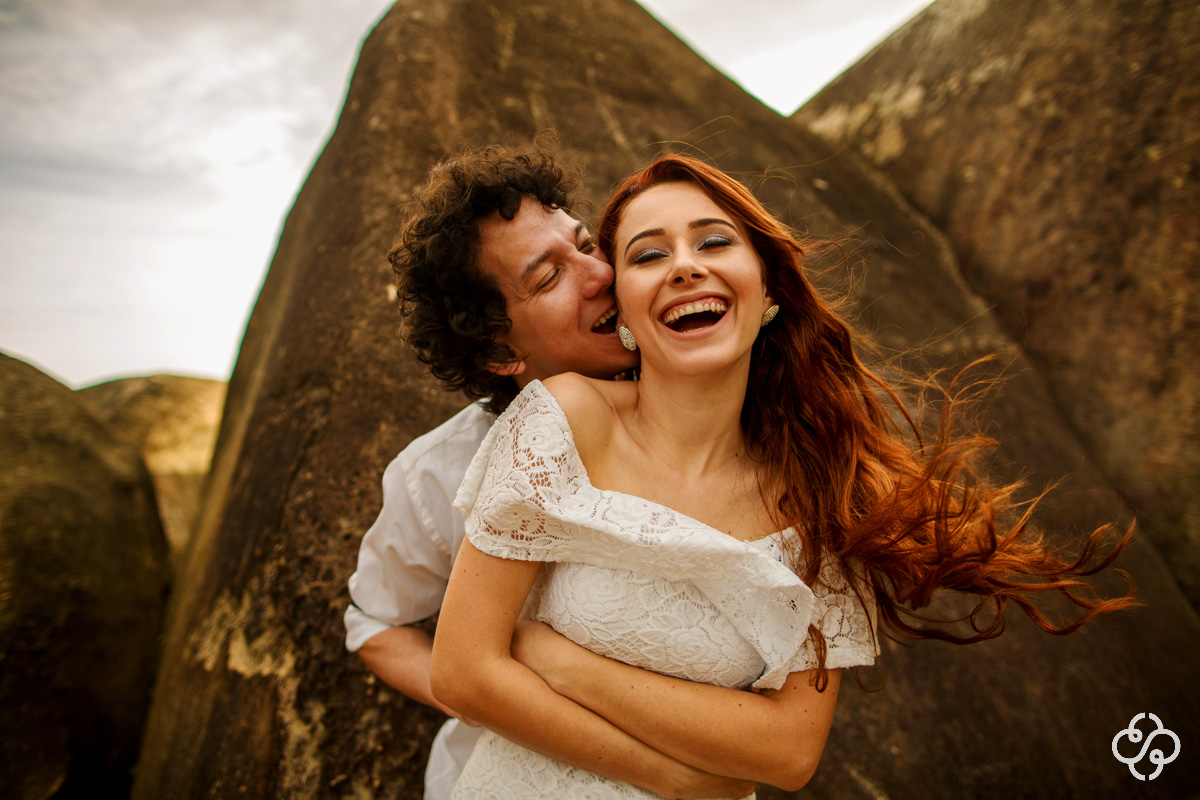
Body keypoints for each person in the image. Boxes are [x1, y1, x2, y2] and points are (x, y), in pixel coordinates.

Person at [429, 154, 1135, 798]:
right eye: (647, 255)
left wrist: (558, 660)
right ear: (627, 316)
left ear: (766, 290)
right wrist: (677, 778)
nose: (684, 267)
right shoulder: (560, 421)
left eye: (714, 242)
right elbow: (462, 672)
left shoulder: (823, 493)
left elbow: (791, 749)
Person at [344, 143, 750, 799]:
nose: (598, 274)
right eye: (548, 277)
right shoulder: (442, 473)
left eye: (588, 244)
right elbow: (376, 624)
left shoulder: (717, 417)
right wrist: (500, 704)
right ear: (501, 349)